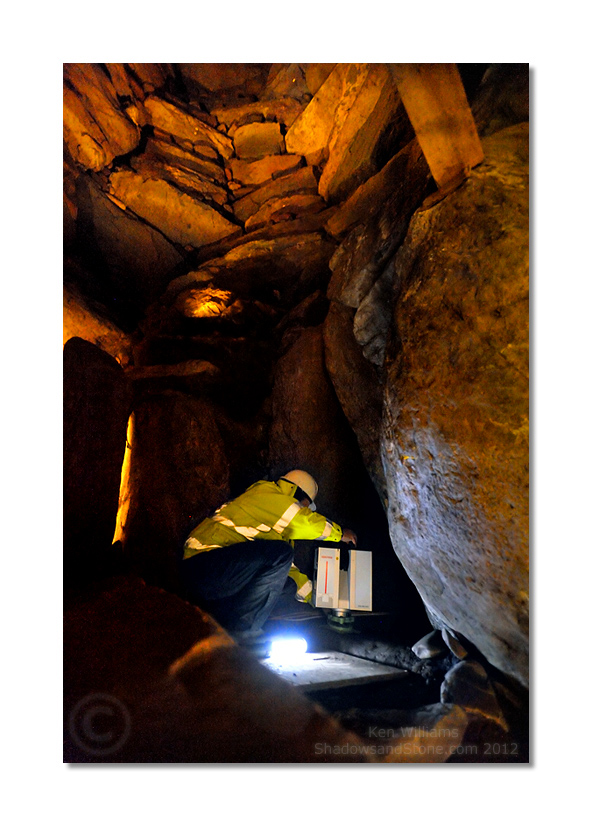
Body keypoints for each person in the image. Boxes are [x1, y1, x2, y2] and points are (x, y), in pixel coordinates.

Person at [181, 469, 357, 642]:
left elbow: (288, 572)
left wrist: (320, 600)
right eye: (304, 505)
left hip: (220, 577)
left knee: (286, 584)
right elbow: (302, 521)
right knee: (281, 554)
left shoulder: (273, 528)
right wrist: (340, 533)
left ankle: (230, 627)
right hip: (203, 567)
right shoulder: (267, 494)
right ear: (295, 492)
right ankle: (244, 631)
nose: (304, 509)